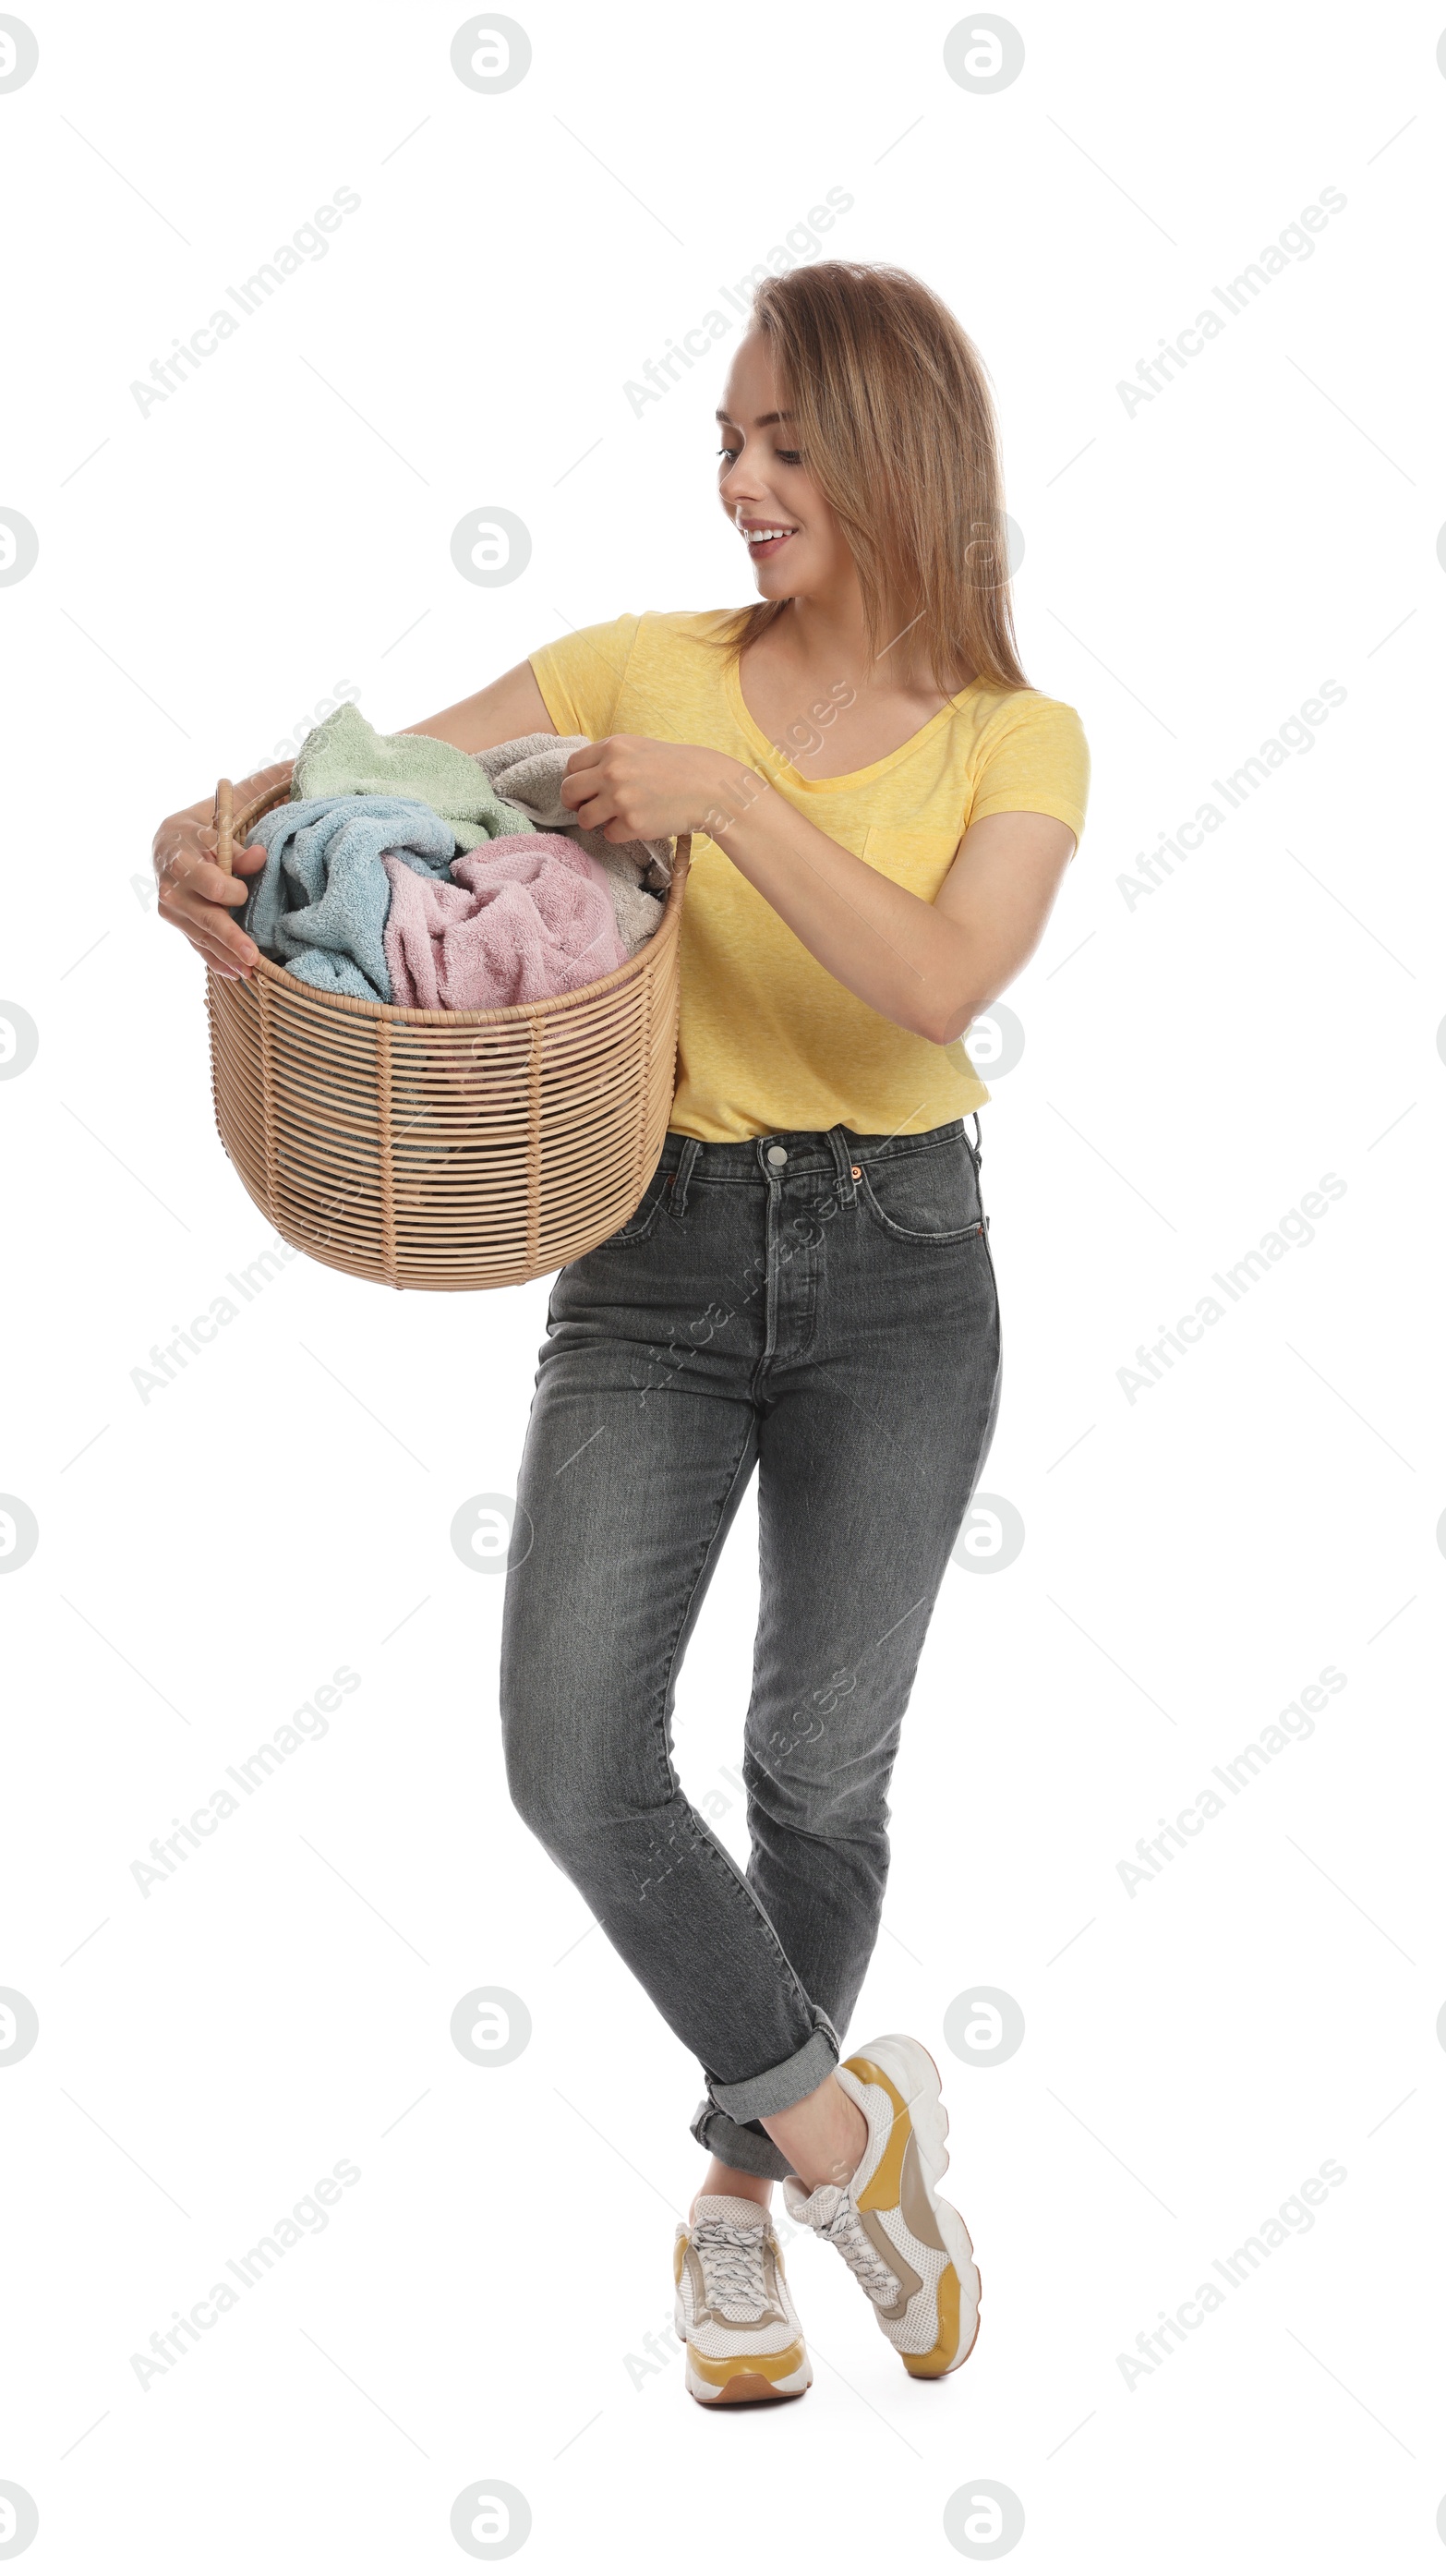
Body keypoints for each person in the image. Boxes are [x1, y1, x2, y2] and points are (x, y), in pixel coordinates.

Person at [153, 260, 1089, 2409]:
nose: (741, 487)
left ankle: (740, 2209)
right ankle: (856, 2141)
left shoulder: (1013, 738)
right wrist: (199, 840)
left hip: (902, 1273)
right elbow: (346, 787)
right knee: (575, 1759)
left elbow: (939, 983)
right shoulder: (621, 666)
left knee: (812, 1776)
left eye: (781, 444)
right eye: (727, 448)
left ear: (892, 453)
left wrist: (733, 804)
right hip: (650, 1254)